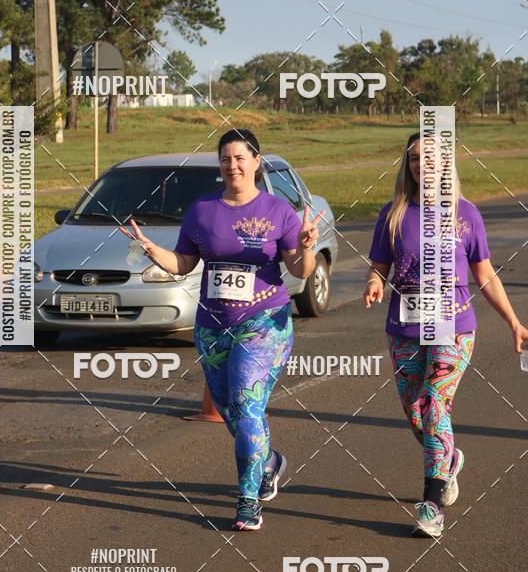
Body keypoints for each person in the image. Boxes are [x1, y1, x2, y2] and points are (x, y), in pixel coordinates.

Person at [122, 128, 324, 530]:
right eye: (225, 159)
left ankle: (247, 501)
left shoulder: (277, 211)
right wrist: (152, 250)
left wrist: (305, 246)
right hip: (212, 326)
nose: (232, 165)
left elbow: (300, 270)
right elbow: (184, 263)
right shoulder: (202, 211)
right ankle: (268, 462)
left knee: (248, 405)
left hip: (264, 323)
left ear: (255, 162)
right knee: (231, 409)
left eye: (240, 158)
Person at [364, 132, 528, 538]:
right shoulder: (394, 214)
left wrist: (514, 322)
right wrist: (373, 282)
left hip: (454, 328)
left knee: (434, 406)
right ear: (409, 165)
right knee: (417, 413)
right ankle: (449, 460)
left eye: (433, 159)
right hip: (404, 328)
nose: (424, 166)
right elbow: (378, 266)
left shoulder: (465, 213)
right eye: (417, 159)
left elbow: (485, 275)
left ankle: (431, 505)